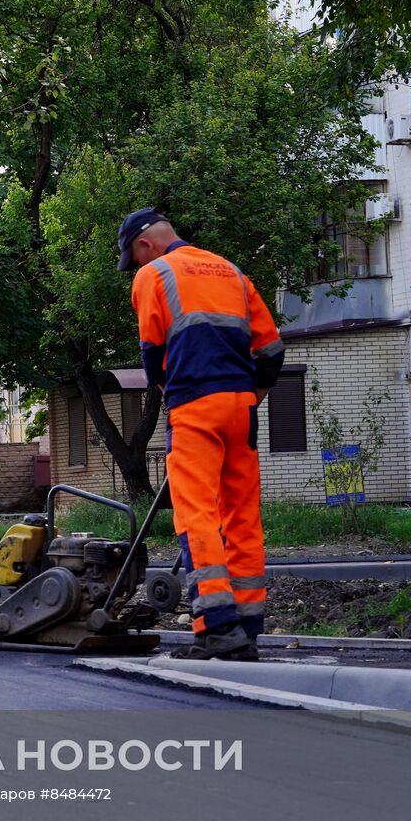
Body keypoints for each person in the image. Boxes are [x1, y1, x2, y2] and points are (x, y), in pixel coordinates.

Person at [120, 208, 285, 661]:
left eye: (133, 258)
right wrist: (252, 397)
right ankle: (247, 630)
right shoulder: (231, 270)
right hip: (241, 407)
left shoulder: (153, 274)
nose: (135, 266)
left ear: (144, 246)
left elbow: (152, 354)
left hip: (195, 405)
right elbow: (271, 350)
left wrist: (170, 391)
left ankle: (216, 627)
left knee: (196, 515)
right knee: (242, 516)